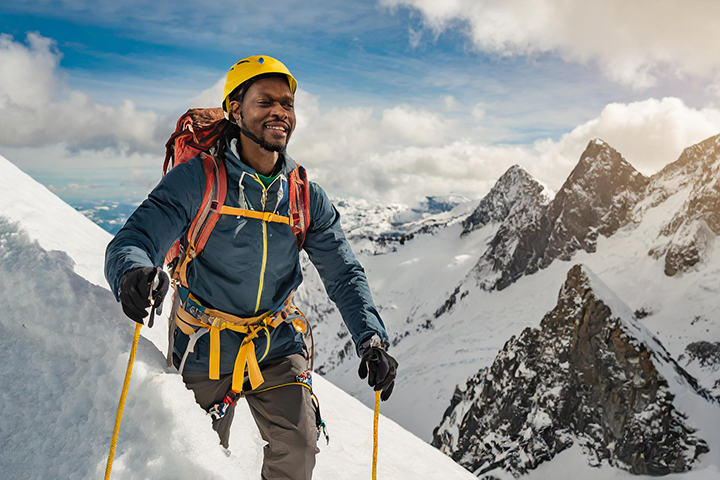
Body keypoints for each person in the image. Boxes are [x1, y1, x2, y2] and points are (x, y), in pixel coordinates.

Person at [104, 55, 397, 480]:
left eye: (287, 103)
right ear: (235, 110)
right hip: (203, 343)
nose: (280, 111)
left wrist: (372, 339)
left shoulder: (303, 196)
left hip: (276, 341)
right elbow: (135, 240)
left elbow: (343, 272)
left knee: (299, 448)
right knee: (192, 456)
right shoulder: (198, 180)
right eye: (266, 102)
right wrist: (132, 274)